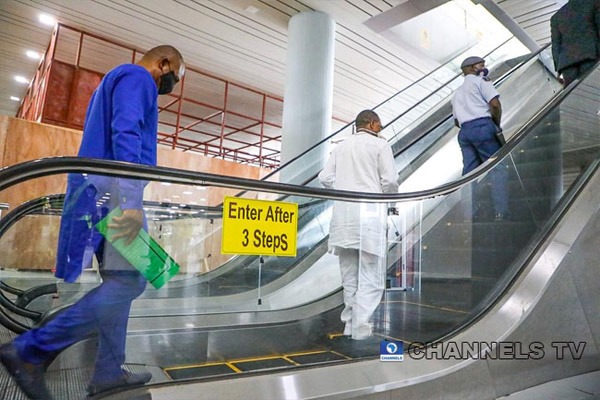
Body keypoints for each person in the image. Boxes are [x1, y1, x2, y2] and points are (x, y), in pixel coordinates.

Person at [0, 45, 185, 399]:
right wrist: (132, 201)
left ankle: (108, 372)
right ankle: (30, 350)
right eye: (176, 74)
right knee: (133, 283)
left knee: (123, 281)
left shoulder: (114, 80)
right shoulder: (138, 76)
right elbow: (127, 133)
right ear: (163, 64)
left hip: (99, 191)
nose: (173, 83)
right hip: (114, 193)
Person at [318, 110, 398, 340]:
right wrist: (389, 200)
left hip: (343, 218)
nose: (380, 128)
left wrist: (343, 192)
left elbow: (324, 177)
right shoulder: (380, 145)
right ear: (372, 123)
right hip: (370, 216)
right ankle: (361, 331)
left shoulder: (341, 146)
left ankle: (349, 326)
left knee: (350, 275)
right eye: (379, 124)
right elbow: (390, 181)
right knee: (371, 275)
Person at [452, 56, 508, 221]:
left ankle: (469, 215)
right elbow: (495, 104)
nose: (484, 67)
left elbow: (456, 121)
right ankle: (501, 212)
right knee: (497, 168)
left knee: (469, 174)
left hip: (464, 132)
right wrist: (495, 124)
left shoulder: (457, 94)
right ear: (471, 68)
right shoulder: (481, 81)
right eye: (481, 65)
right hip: (483, 126)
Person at [550, 0, 600, 88]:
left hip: (567, 64)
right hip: (590, 55)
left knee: (573, 94)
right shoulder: (593, 3)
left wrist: (558, 70)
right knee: (593, 89)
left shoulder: (556, 17)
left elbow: (555, 46)